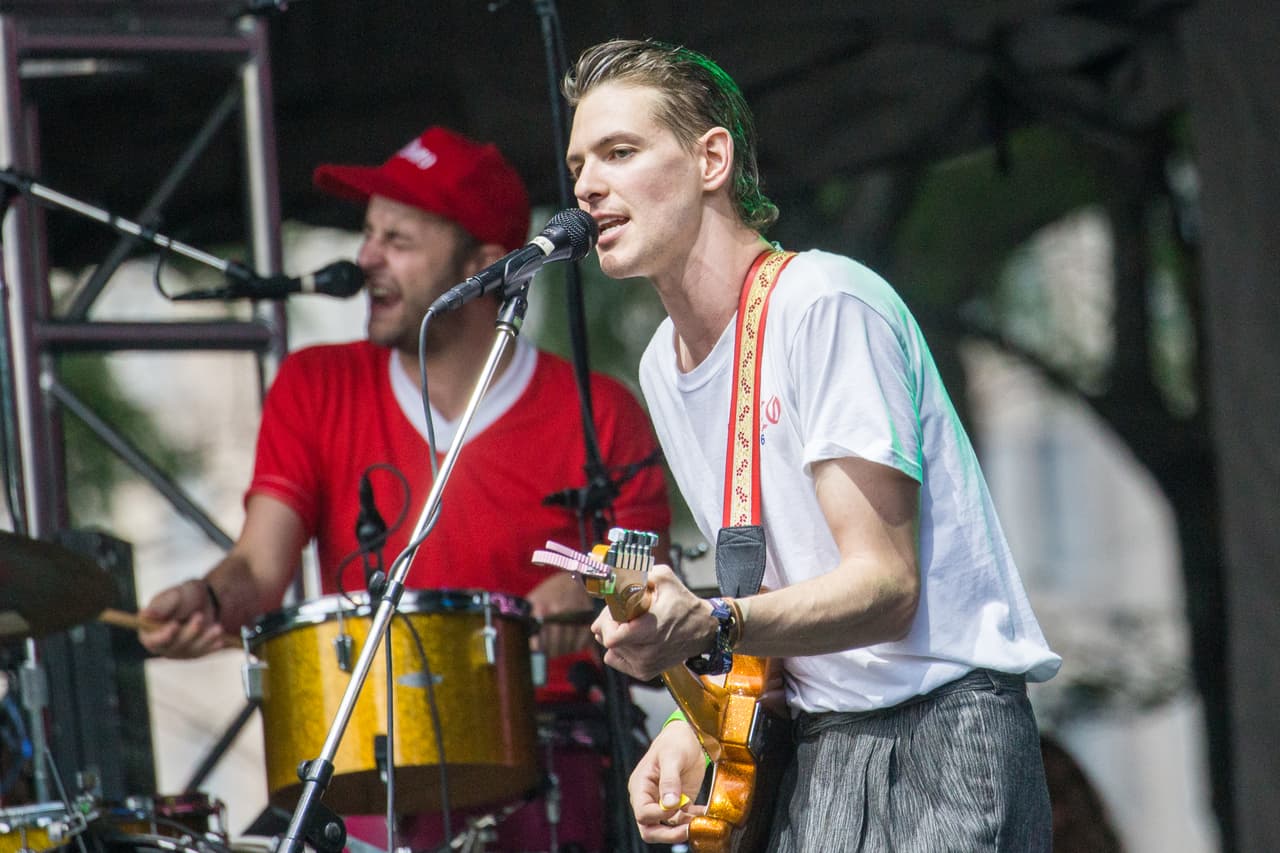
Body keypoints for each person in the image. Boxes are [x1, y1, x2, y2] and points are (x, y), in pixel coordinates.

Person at [562, 39, 1061, 851]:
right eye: (579, 164)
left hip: (938, 733)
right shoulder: (663, 365)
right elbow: (773, 594)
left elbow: (886, 586)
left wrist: (710, 622)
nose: (586, 185)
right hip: (819, 744)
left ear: (712, 159)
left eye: (620, 152)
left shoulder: (824, 303)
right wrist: (698, 724)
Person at [139, 126, 670, 851]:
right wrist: (207, 598)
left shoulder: (600, 408)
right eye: (368, 233)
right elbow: (258, 570)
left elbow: (648, 578)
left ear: (485, 265)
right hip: (367, 754)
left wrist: (591, 586)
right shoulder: (314, 385)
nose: (366, 258)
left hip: (548, 762)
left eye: (398, 240)